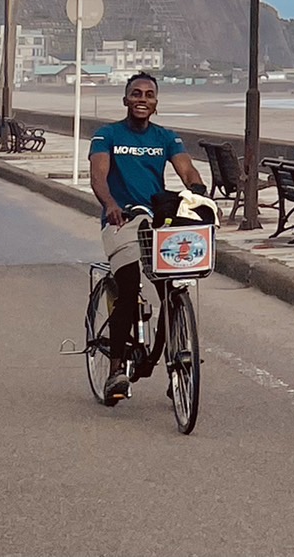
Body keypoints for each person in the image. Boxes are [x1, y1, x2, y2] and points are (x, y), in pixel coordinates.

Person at [88, 71, 207, 405]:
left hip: (157, 221)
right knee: (127, 288)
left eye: (149, 95)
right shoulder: (106, 135)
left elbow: (187, 171)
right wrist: (110, 204)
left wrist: (198, 194)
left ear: (156, 103)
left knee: (171, 288)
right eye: (136, 94)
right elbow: (99, 176)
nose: (142, 99)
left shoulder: (166, 137)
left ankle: (174, 361)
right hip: (121, 220)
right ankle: (115, 371)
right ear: (125, 100)